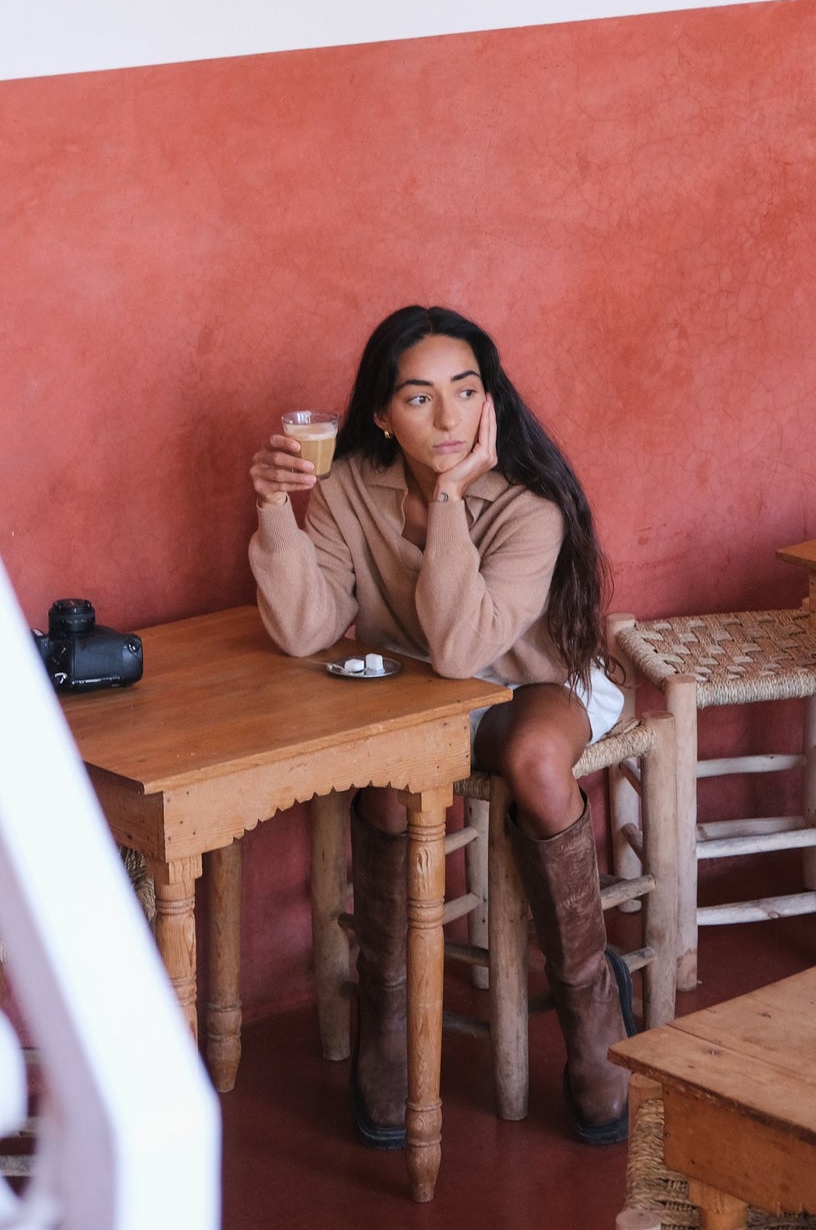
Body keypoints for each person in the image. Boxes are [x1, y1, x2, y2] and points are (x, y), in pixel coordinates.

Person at [248, 303, 632, 1147]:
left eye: (466, 390)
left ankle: (587, 997)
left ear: (490, 400)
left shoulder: (530, 505)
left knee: (536, 763)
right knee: (387, 779)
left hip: (530, 681)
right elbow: (307, 630)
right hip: (419, 694)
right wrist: (278, 510)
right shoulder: (350, 484)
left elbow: (465, 650)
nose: (449, 416)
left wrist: (452, 497)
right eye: (419, 398)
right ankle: (384, 1012)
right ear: (382, 416)